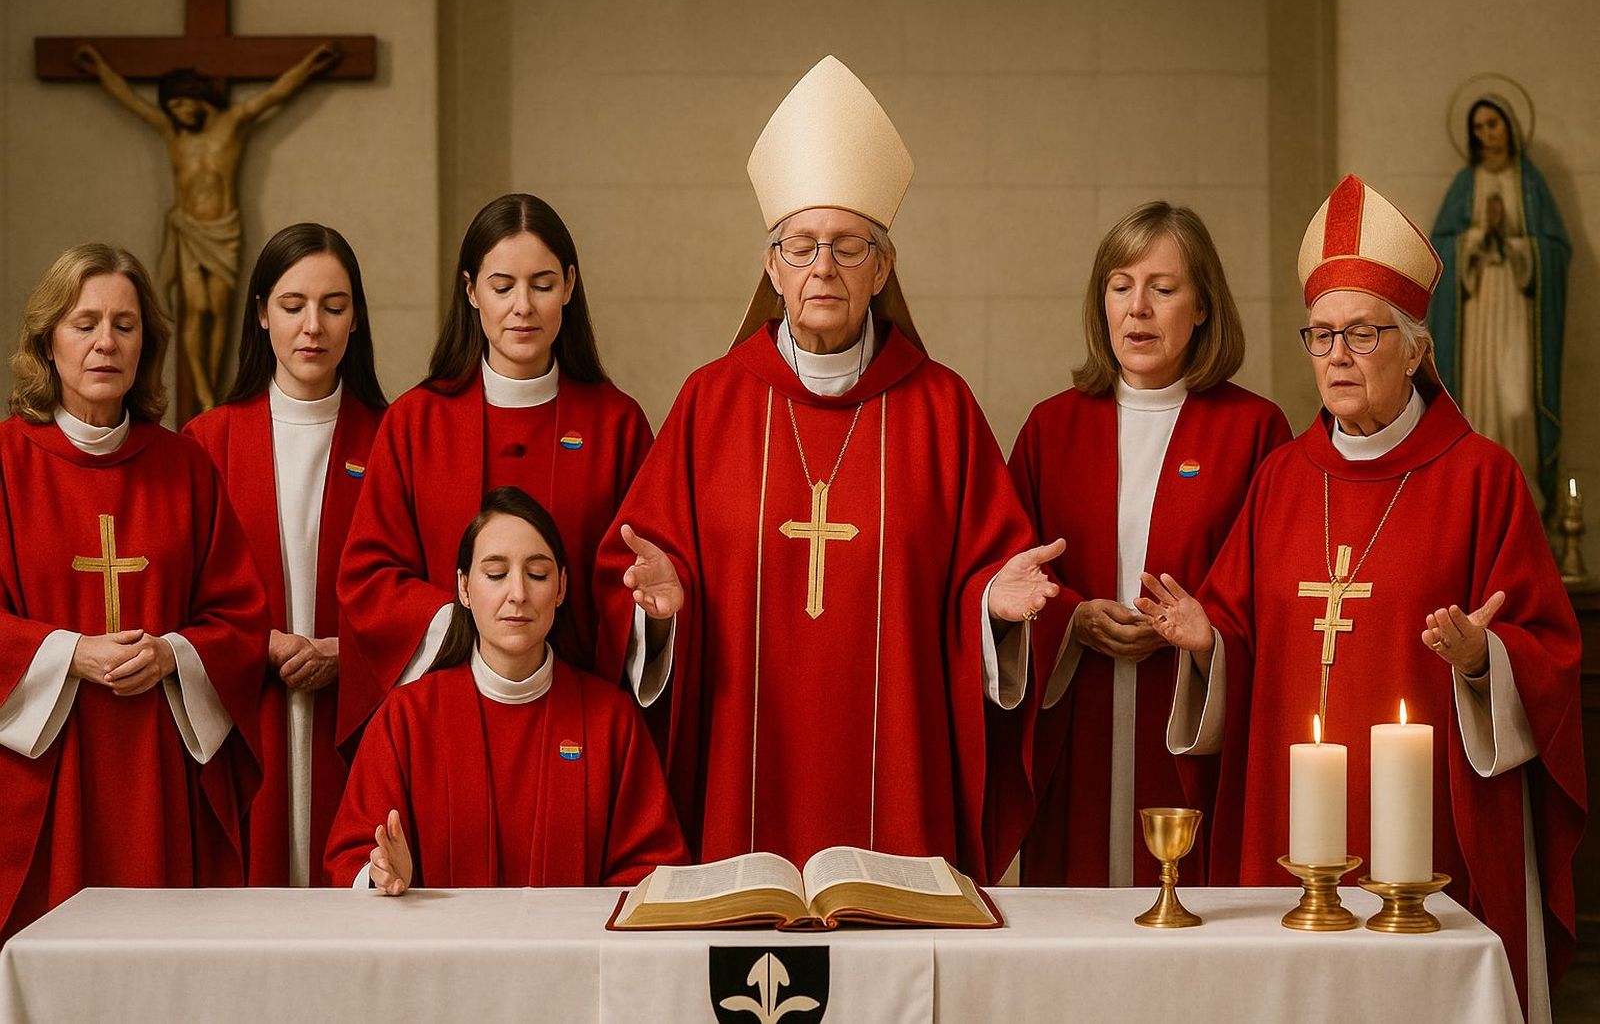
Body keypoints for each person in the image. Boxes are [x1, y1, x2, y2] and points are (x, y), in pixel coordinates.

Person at [593, 56, 1062, 879]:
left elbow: (985, 566)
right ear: (771, 267)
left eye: (848, 247)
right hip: (743, 769)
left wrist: (990, 605)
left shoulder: (940, 409)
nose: (823, 269)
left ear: (883, 269)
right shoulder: (712, 403)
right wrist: (660, 615)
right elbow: (631, 572)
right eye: (802, 246)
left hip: (899, 779)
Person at [1138, 175, 1584, 1022]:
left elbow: (1548, 647)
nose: (1336, 355)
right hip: (1284, 822)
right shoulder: (1282, 477)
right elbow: (1238, 624)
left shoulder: (1481, 478)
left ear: (1416, 348)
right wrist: (1209, 640)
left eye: (1362, 334)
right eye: (1320, 335)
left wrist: (1480, 658)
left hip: (1426, 839)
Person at [1010, 202, 1289, 887]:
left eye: (1163, 289)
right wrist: (1073, 618)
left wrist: (1207, 633)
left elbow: (1276, 591)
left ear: (1201, 308)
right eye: (1120, 285)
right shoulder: (1052, 429)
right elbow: (1007, 570)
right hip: (1076, 728)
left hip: (1189, 733)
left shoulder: (1253, 430)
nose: (1138, 309)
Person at [0, 244, 268, 939]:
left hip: (160, 761)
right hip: (48, 767)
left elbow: (239, 615)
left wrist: (174, 652)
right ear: (46, 340)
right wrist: (68, 651)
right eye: (83, 322)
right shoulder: (7, 463)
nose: (104, 342)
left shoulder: (184, 466)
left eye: (125, 324)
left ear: (146, 343)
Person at [337, 194, 651, 748]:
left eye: (543, 284)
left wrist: (650, 612)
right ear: (471, 292)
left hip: (578, 718)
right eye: (502, 287)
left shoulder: (616, 423)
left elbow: (634, 574)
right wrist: (469, 629)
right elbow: (369, 574)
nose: (522, 307)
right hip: (444, 712)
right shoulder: (417, 422)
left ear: (571, 286)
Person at [325, 487, 688, 892]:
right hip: (438, 954)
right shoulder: (407, 717)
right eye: (496, 574)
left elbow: (651, 870)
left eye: (537, 574)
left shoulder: (611, 720)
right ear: (463, 588)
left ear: (562, 587)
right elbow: (353, 856)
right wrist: (382, 876)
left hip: (574, 954)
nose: (517, 594)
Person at [184, 223, 386, 887]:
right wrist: (254, 642)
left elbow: (422, 588)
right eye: (294, 305)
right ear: (262, 311)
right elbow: (180, 600)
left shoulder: (392, 438)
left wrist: (345, 652)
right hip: (247, 714)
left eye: (334, 306)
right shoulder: (206, 442)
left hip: (354, 720)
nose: (313, 327)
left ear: (356, 320)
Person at [74, 42, 342, 409]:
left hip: (223, 230)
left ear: (199, 99)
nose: (179, 113)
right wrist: (101, 69)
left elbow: (275, 94)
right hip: (189, 229)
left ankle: (213, 382)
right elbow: (133, 103)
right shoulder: (174, 136)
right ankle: (201, 387)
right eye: (173, 108)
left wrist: (310, 65)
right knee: (194, 308)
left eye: (183, 104)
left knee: (217, 309)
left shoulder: (231, 126)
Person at [1428, 91, 1570, 511]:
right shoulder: (1464, 184)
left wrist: (1516, 243)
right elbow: (1440, 250)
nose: (1486, 134)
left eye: (1493, 124)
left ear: (1509, 126)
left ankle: (1524, 498)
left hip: (1515, 308)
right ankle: (1479, 497)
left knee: (1517, 405)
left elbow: (1557, 250)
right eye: (1478, 128)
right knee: (1477, 403)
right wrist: (1474, 239)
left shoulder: (1529, 185)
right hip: (1475, 311)